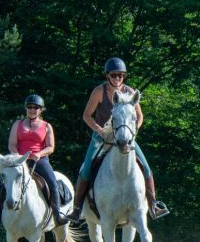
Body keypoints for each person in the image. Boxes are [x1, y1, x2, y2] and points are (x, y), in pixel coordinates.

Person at [65, 57, 169, 222]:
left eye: (120, 75)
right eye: (114, 75)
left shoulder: (130, 92)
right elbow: (86, 115)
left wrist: (133, 131)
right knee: (85, 170)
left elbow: (140, 116)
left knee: (147, 169)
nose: (117, 78)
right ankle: (77, 209)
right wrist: (100, 131)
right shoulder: (99, 91)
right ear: (108, 76)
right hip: (101, 137)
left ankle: (153, 205)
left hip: (124, 137)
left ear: (124, 76)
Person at [0, 94, 69, 227]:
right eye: (29, 107)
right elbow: (11, 144)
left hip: (38, 160)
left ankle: (57, 215)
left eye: (35, 107)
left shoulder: (46, 126)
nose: (32, 109)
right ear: (26, 108)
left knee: (52, 182)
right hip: (19, 160)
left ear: (41, 110)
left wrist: (39, 154)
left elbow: (51, 147)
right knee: (1, 183)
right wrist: (17, 157)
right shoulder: (18, 124)